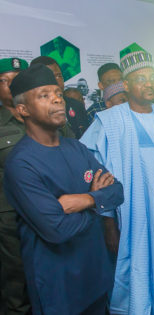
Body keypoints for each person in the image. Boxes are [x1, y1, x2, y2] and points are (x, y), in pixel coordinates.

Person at [80, 50, 154, 314]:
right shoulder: (109, 121)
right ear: (125, 85)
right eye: (140, 78)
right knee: (139, 269)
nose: (149, 83)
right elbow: (98, 179)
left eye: (153, 77)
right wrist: (109, 225)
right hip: (135, 218)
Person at [4, 63, 124, 315]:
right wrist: (98, 202)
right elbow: (57, 229)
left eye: (58, 93)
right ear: (22, 110)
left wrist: (85, 200)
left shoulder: (77, 148)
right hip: (58, 285)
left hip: (94, 274)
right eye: (45, 95)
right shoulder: (21, 163)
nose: (58, 100)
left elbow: (118, 191)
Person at [0, 57, 31, 315]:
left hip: (49, 213)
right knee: (15, 283)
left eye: (16, 80)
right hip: (9, 217)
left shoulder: (41, 115)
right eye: (4, 81)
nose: (11, 86)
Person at [30, 56, 89, 138]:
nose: (56, 81)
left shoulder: (76, 106)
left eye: (59, 76)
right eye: (49, 77)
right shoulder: (31, 111)